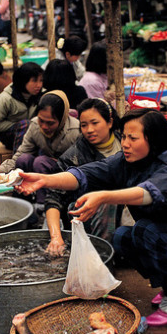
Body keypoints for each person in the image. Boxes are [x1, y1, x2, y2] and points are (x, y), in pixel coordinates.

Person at [15, 108, 167, 327]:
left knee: (145, 231)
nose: (126, 143)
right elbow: (85, 174)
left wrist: (104, 197)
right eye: (125, 137)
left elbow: (149, 192)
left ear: (154, 139)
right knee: (122, 237)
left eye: (133, 138)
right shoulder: (127, 161)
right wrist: (44, 179)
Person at [44, 98, 121, 256]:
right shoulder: (73, 157)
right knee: (105, 200)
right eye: (84, 125)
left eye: (94, 123)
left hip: (125, 214)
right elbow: (53, 199)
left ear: (110, 122)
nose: (89, 130)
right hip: (89, 217)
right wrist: (56, 238)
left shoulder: (126, 144)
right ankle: (102, 255)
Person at [0, 91, 80, 210]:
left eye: (50, 123)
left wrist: (58, 163)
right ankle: (23, 204)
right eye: (41, 120)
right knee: (23, 159)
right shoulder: (35, 125)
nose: (44, 126)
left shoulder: (75, 131)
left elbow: (81, 167)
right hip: (42, 170)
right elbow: (19, 155)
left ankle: (44, 206)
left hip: (65, 176)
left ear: (62, 118)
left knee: (41, 162)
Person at [0, 62, 44, 151]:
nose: (39, 85)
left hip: (31, 132)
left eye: (41, 80)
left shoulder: (41, 95)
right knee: (26, 124)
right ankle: (18, 159)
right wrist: (18, 125)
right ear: (23, 81)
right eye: (34, 81)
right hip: (9, 135)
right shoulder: (6, 99)